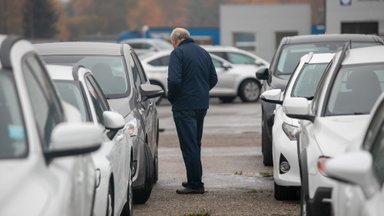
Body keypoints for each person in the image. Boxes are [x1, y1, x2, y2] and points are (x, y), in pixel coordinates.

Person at [168, 27, 218, 194]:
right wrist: (201, 92)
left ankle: (196, 184)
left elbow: (174, 81)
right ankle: (193, 179)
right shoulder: (203, 52)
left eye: (171, 43)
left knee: (189, 146)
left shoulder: (177, 54)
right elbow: (213, 78)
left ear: (175, 40)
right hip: (201, 105)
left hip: (184, 106)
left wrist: (172, 98)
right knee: (195, 144)